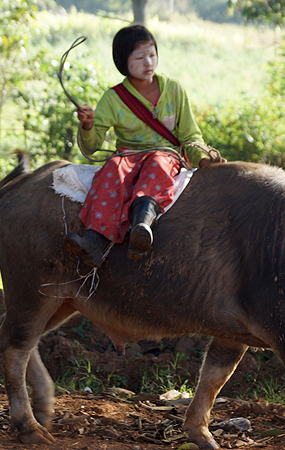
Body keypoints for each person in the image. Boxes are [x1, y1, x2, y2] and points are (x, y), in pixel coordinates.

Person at [64, 24, 225, 268]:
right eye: (139, 57)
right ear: (123, 62)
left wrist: (204, 159)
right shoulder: (113, 98)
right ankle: (94, 240)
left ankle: (142, 225)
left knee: (159, 163)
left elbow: (190, 136)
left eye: (152, 54)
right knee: (114, 169)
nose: (148, 62)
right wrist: (88, 125)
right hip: (128, 156)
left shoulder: (174, 90)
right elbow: (92, 146)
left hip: (166, 155)